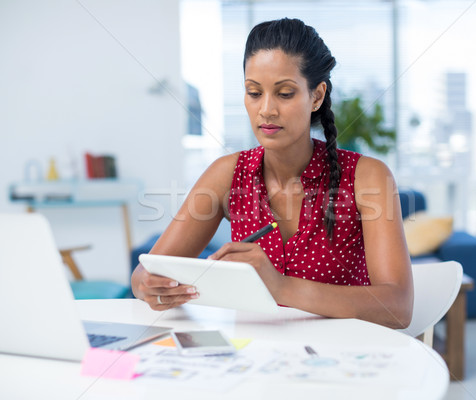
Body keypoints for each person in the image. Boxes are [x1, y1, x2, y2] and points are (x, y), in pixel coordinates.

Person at [131, 18, 413, 329]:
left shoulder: (368, 177)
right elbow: (145, 273)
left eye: (285, 93)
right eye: (254, 93)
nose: (266, 109)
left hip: (346, 360)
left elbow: (397, 307)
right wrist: (147, 284)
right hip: (257, 357)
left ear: (316, 96)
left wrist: (280, 286)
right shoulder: (227, 174)